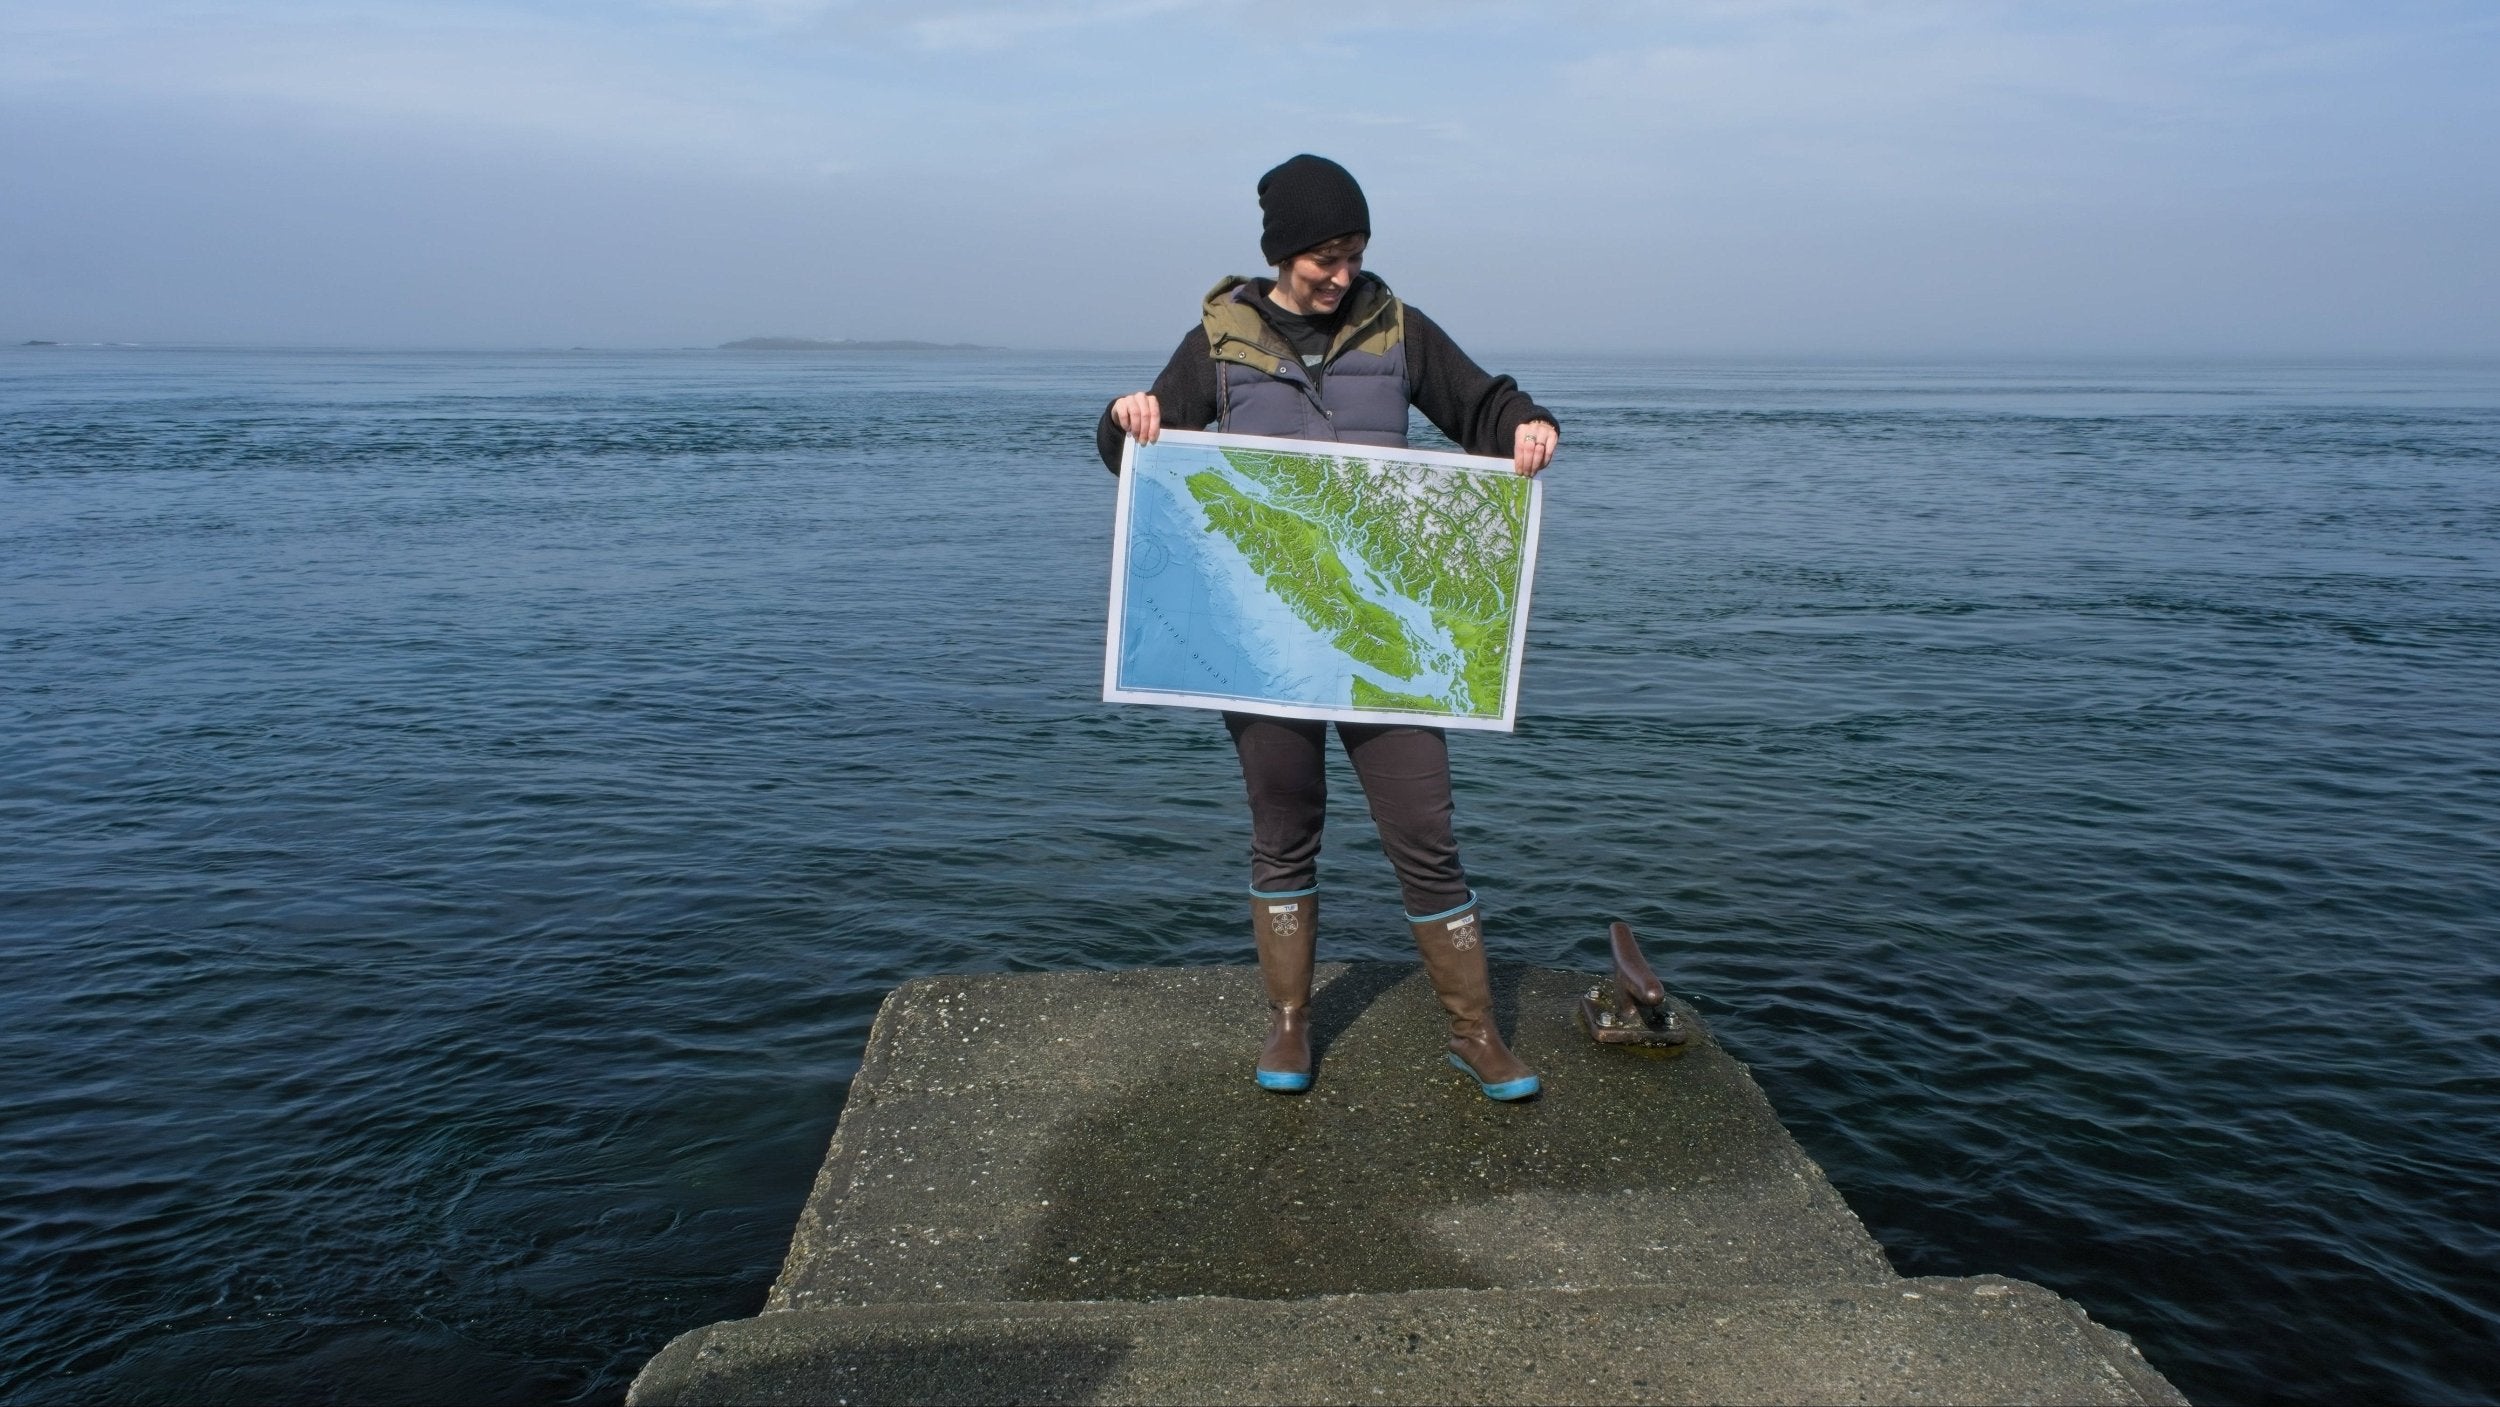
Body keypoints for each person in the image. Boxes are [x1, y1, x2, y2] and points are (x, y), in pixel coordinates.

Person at [1096, 154, 1561, 1102]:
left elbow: (1481, 404)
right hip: (1261, 639)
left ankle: (1474, 1033)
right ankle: (1291, 1023)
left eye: (1353, 254)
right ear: (1280, 255)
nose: (1341, 274)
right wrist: (1126, 419)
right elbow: (1134, 454)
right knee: (1284, 825)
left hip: (1386, 637)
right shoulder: (1216, 345)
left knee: (1424, 828)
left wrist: (1525, 422)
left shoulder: (1399, 330)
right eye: (1323, 258)